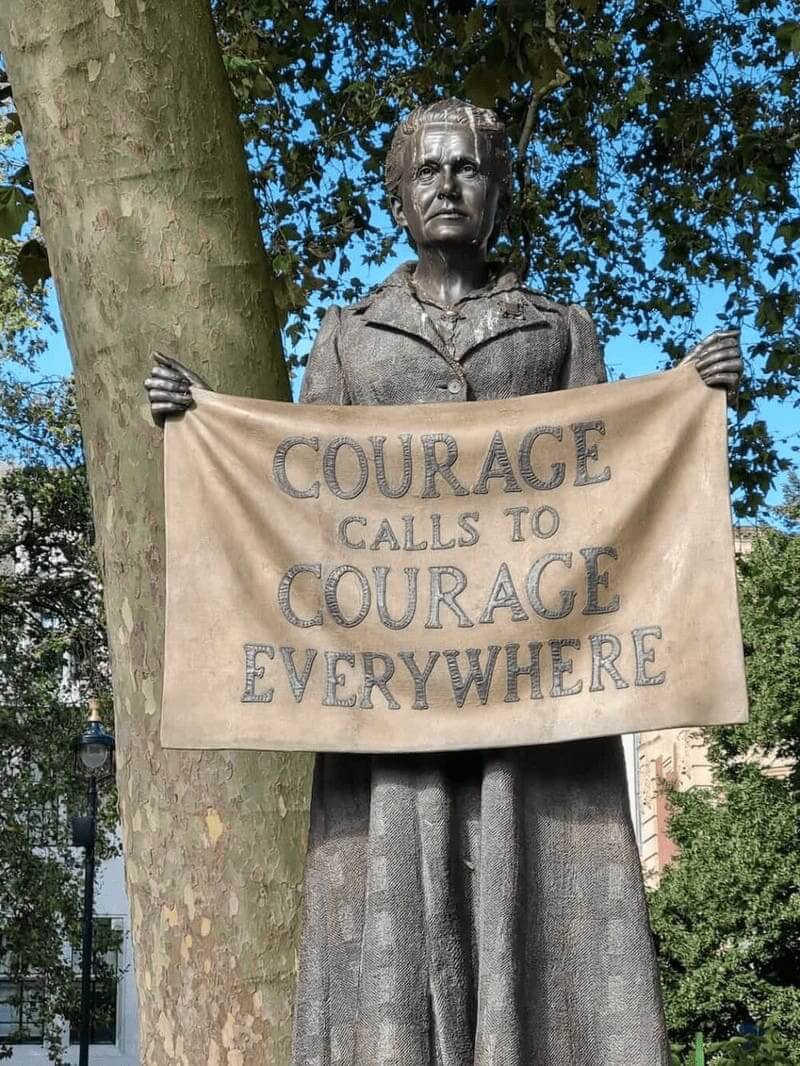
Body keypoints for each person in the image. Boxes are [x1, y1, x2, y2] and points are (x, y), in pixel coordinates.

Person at [146, 99, 741, 1065]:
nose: (449, 187)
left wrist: (688, 393)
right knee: (389, 917)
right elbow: (292, 499)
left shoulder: (560, 331)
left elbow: (614, 476)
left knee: (541, 894)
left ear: (500, 191)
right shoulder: (348, 339)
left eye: (469, 169)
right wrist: (197, 421)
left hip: (535, 699)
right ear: (398, 197)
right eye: (428, 172)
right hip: (386, 706)